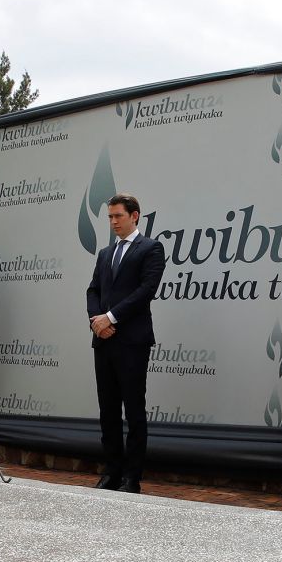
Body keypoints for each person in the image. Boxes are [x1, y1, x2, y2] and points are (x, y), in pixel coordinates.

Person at [86, 193, 166, 492]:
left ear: (134, 216)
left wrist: (111, 317)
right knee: (107, 410)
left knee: (133, 410)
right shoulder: (106, 253)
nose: (113, 222)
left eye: (118, 216)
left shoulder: (151, 248)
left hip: (132, 341)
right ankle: (111, 472)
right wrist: (97, 320)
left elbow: (146, 290)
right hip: (103, 340)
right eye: (109, 217)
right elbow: (93, 290)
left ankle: (132, 477)